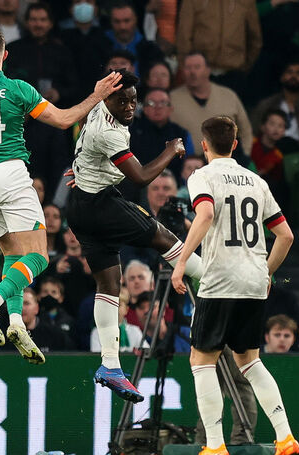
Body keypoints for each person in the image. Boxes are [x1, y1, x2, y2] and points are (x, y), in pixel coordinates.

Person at [0, 28, 123, 364]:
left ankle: (15, 323)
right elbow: (64, 120)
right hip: (10, 176)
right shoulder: (19, 90)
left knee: (13, 254)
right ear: (6, 56)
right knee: (40, 257)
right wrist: (97, 95)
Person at [64, 70, 209, 403]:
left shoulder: (98, 109)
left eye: (133, 99)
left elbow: (86, 148)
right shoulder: (109, 132)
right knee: (162, 237)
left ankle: (110, 366)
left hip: (80, 206)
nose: (130, 106)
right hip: (102, 203)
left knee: (109, 285)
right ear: (107, 98)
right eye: (122, 100)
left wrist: (82, 168)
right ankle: (214, 283)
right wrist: (172, 150)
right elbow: (142, 177)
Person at [171, 115, 299, 455]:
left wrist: (182, 262)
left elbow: (205, 215)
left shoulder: (202, 176)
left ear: (204, 145)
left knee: (201, 360)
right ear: (235, 143)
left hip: (221, 280)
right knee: (249, 361)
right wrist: (267, 270)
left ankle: (214, 445)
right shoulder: (257, 181)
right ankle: (285, 436)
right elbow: (286, 235)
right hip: (254, 281)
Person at [176, 0, 262, 91]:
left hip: (234, 72)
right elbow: (184, 37)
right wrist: (187, 67)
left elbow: (255, 39)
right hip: (200, 73)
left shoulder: (246, 0)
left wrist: (244, 66)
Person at [170, 53, 255, 153]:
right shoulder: (171, 99)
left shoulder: (228, 96)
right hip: (186, 165)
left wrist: (243, 158)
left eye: (197, 67)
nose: (192, 72)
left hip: (225, 163)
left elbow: (245, 131)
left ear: (208, 70)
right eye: (188, 67)